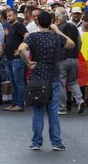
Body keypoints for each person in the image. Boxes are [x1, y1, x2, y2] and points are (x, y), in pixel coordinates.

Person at [18, 10, 75, 151]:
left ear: (37, 22)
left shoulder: (32, 37)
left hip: (37, 78)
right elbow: (71, 44)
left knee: (38, 112)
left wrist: (28, 62)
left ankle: (36, 142)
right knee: (53, 112)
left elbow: (20, 49)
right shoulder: (56, 37)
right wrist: (57, 31)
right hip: (53, 77)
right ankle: (56, 142)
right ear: (51, 22)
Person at [3, 8, 28, 111]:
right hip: (9, 58)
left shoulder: (19, 25)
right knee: (13, 82)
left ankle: (20, 104)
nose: (8, 17)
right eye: (7, 16)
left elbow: (27, 36)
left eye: (10, 15)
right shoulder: (11, 26)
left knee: (18, 82)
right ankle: (14, 103)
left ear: (16, 16)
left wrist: (20, 49)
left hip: (17, 59)